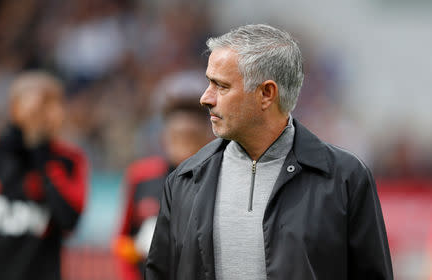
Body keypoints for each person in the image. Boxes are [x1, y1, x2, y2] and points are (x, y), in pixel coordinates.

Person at [145, 24, 393, 279]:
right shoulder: (184, 179)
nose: (206, 98)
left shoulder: (345, 178)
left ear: (266, 93)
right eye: (209, 83)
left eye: (221, 86)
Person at [0, 71, 88, 280]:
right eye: (41, 105)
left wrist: (41, 154)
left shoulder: (69, 159)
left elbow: (69, 220)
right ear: (15, 107)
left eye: (55, 104)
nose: (48, 114)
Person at [113, 72, 214, 280]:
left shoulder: (218, 181)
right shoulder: (141, 176)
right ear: (163, 137)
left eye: (190, 137)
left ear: (207, 138)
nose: (182, 144)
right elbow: (122, 240)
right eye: (176, 136)